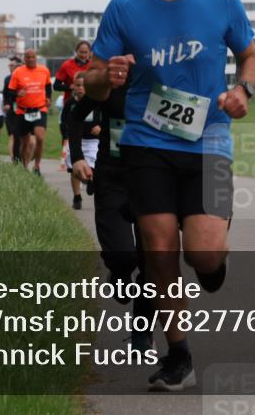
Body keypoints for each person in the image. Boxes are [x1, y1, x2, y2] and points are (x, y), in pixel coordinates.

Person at [84, 0, 255, 391]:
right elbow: (93, 83)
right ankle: (178, 353)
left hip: (209, 140)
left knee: (204, 256)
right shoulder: (124, 7)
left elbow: (250, 56)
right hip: (146, 143)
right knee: (159, 251)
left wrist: (243, 89)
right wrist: (108, 77)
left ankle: (214, 254)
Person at [69, 81, 156, 351]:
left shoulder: (164, 79)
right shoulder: (111, 82)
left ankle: (142, 335)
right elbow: (75, 116)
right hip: (113, 178)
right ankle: (118, 271)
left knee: (152, 262)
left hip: (153, 179)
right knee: (123, 256)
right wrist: (78, 158)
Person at [8, 49, 53, 175]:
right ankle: (24, 167)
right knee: (25, 141)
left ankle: (37, 166)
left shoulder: (44, 70)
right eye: (28, 57)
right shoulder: (18, 72)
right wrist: (18, 93)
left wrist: (48, 98)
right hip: (23, 111)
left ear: (36, 58)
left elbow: (48, 86)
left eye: (33, 57)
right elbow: (10, 91)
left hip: (40, 109)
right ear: (24, 59)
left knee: (40, 137)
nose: (31, 59)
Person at [63, 73, 100, 210]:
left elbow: (102, 117)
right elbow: (65, 120)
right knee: (75, 169)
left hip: (92, 141)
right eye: (78, 85)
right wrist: (65, 135)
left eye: (84, 85)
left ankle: (90, 181)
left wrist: (100, 127)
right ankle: (77, 196)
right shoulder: (70, 104)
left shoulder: (96, 102)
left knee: (92, 165)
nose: (81, 88)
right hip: (76, 140)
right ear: (73, 86)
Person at [55, 40, 93, 160]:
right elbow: (56, 85)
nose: (83, 55)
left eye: (85, 52)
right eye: (81, 52)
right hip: (71, 103)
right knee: (70, 131)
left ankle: (87, 159)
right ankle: (70, 159)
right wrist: (70, 87)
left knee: (88, 133)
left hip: (89, 103)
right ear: (76, 52)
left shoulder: (92, 66)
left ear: (89, 53)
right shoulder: (67, 65)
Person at [3, 56, 24, 163]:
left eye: (13, 65)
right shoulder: (7, 79)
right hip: (12, 109)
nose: (10, 67)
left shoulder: (25, 77)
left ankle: (23, 155)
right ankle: (13, 158)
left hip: (24, 109)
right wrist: (6, 104)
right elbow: (5, 94)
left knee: (22, 137)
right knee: (12, 135)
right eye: (10, 65)